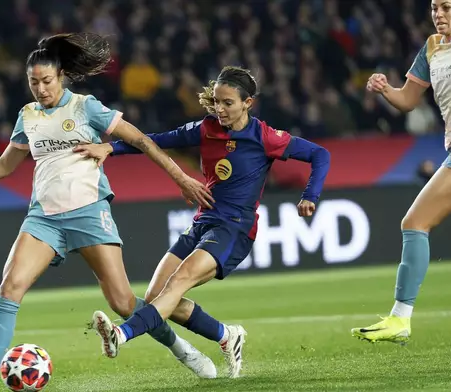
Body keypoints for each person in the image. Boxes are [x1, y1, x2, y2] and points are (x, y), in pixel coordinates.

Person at [0, 33, 218, 392]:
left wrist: (179, 176)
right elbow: (5, 165)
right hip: (43, 217)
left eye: (46, 81)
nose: (40, 89)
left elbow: (141, 140)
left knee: (124, 303)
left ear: (60, 76)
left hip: (88, 212)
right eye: (33, 82)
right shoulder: (27, 116)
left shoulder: (85, 107)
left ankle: (181, 348)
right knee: (10, 286)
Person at [77, 65, 331, 378]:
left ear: (247, 103)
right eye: (217, 102)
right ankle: (226, 335)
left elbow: (320, 154)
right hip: (202, 222)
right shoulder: (205, 129)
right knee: (157, 295)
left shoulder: (264, 137)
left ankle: (122, 334)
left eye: (228, 103)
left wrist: (310, 196)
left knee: (179, 281)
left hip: (234, 228)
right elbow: (154, 140)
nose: (220, 110)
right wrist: (110, 147)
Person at [351, 0, 451, 344]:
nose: (438, 14)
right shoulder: (431, 48)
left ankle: (400, 318)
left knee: (414, 222)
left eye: (446, 7)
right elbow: (408, 99)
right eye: (433, 8)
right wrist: (385, 91)